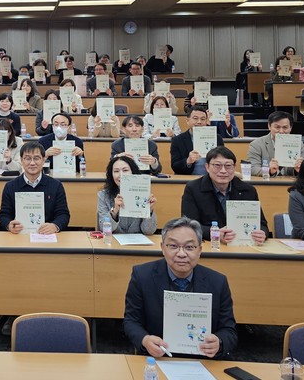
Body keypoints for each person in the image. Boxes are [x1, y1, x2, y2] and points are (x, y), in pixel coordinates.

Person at [123, 216, 238, 359]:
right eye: (173, 246)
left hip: (204, 360)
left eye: (189, 247)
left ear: (200, 250)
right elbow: (131, 321)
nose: (181, 254)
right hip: (158, 358)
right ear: (162, 248)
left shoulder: (218, 282)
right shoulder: (142, 276)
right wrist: (145, 340)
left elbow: (229, 331)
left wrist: (219, 342)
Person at [181, 146, 269, 243]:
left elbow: (262, 225)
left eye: (228, 166)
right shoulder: (193, 189)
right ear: (207, 167)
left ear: (234, 167)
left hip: (242, 245)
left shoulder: (248, 190)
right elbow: (189, 226)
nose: (223, 171)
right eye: (217, 165)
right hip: (209, 245)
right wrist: (214, 233)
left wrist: (262, 233)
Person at [0, 142, 70, 234]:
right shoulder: (10, 186)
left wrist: (55, 226)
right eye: (28, 158)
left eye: (36, 158)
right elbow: (4, 215)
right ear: (21, 160)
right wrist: (9, 225)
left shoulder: (56, 185)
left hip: (47, 235)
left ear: (43, 160)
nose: (32, 163)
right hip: (20, 234)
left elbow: (63, 214)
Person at [97, 156, 157, 234]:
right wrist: (115, 211)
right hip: (113, 240)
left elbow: (149, 231)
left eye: (125, 170)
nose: (121, 175)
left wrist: (149, 211)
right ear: (111, 174)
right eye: (116, 171)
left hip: (138, 240)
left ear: (133, 172)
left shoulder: (143, 193)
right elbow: (103, 228)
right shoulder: (103, 195)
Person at [170, 106, 225, 175]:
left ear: (206, 121)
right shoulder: (177, 140)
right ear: (187, 121)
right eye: (195, 118)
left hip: (212, 177)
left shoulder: (217, 138)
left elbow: (223, 159)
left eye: (203, 119)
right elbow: (175, 166)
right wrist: (188, 161)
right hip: (188, 178)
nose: (199, 122)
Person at [247, 111, 304, 176]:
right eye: (277, 127)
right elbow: (252, 168)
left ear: (290, 128)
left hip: (290, 181)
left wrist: (297, 170)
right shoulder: (256, 144)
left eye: (285, 127)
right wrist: (269, 170)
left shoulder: (298, 144)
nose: (281, 131)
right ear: (269, 126)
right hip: (268, 181)